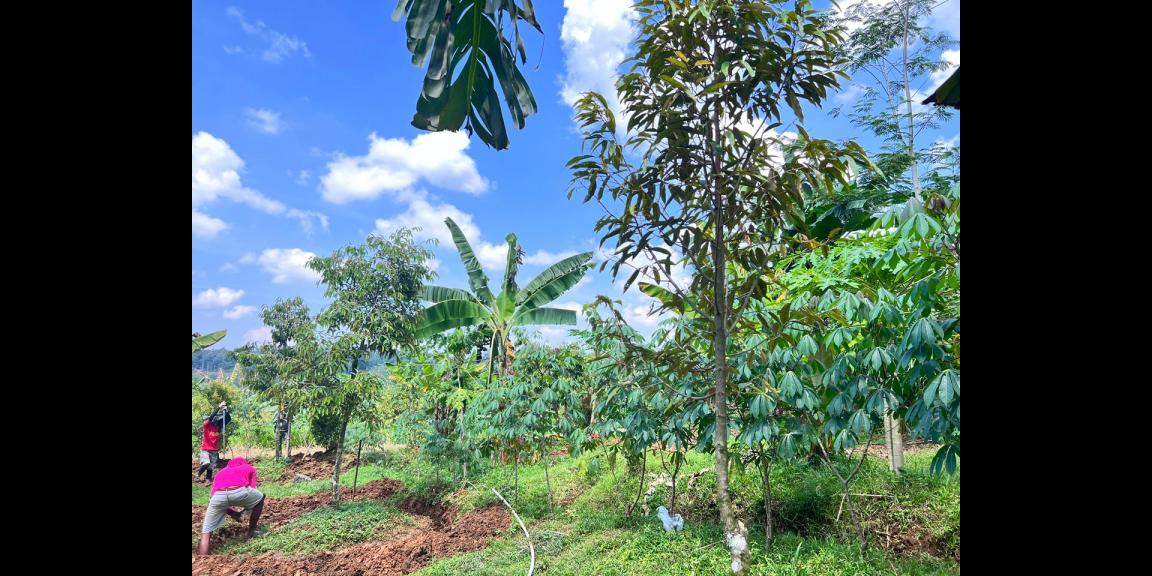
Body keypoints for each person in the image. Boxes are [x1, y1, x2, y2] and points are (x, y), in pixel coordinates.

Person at [198, 457, 265, 555]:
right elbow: (252, 488)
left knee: (206, 533)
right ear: (243, 463)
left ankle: (202, 558)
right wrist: (247, 509)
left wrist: (231, 512)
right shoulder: (249, 468)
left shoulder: (221, 472)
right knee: (260, 498)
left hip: (218, 497)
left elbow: (214, 496)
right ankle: (252, 532)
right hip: (239, 491)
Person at [196, 401, 232, 482]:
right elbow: (212, 416)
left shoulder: (218, 427)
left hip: (214, 450)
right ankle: (198, 474)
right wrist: (219, 406)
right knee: (206, 463)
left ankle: (208, 479)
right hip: (205, 449)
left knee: (211, 467)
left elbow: (228, 419)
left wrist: (226, 410)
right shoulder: (206, 426)